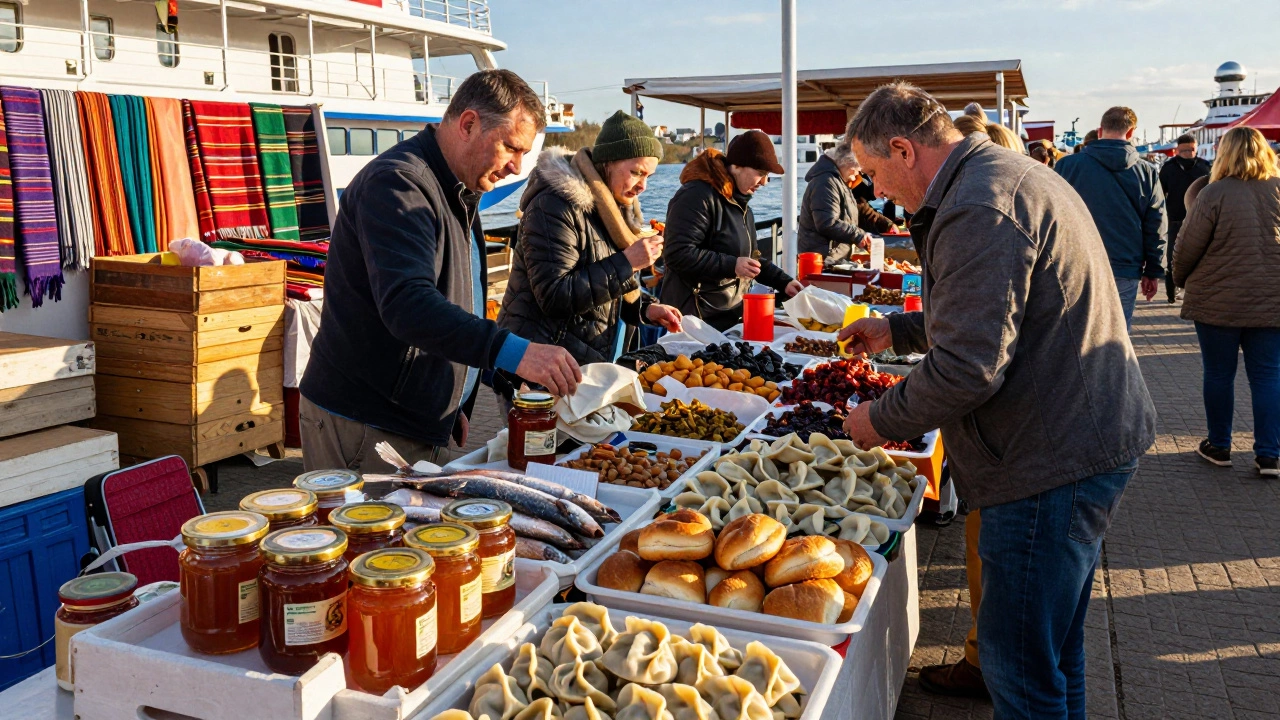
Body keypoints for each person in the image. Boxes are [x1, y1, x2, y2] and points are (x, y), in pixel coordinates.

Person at [837, 82, 1155, 719]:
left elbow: (968, 367)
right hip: (1080, 436)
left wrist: (879, 418)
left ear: (903, 150)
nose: (873, 192)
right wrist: (899, 329)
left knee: (1019, 665)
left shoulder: (978, 205)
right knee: (1055, 653)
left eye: (872, 174)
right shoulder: (998, 174)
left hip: (1047, 458)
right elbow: (1000, 306)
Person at [298, 70, 582, 472]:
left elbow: (454, 295)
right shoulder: (398, 183)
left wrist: (458, 400)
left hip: (416, 418)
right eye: (510, 148)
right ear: (468, 124)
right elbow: (409, 305)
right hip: (367, 422)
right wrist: (514, 353)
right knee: (374, 537)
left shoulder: (458, 188)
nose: (517, 168)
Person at [496, 111, 682, 393]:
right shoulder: (555, 205)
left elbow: (605, 287)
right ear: (606, 163)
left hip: (583, 373)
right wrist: (628, 262)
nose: (643, 185)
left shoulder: (612, 209)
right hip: (538, 376)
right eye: (636, 172)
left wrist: (645, 308)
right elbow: (554, 295)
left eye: (649, 176)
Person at [1172, 126, 1280, 476]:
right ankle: (1268, 454)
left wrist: (1177, 279)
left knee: (1219, 374)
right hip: (1271, 300)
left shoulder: (1212, 193)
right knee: (1267, 376)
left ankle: (1219, 446)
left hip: (1218, 299)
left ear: (1224, 154)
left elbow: (1188, 246)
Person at [661, 130, 803, 330]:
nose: (764, 182)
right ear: (736, 166)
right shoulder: (696, 196)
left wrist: (784, 282)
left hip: (730, 315)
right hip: (696, 318)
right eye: (760, 174)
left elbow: (752, 259)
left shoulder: (743, 206)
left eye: (767, 175)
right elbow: (677, 254)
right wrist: (732, 265)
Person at [1055, 106, 1167, 331]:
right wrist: (1153, 270)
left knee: (1075, 336)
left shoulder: (1067, 166)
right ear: (1131, 132)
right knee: (1116, 336)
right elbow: (1155, 223)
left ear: (1099, 130)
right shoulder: (1146, 172)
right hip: (1125, 265)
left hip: (1075, 264)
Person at [797, 140, 896, 264]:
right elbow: (827, 222)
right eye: (856, 170)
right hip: (822, 260)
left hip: (832, 258)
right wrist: (859, 235)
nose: (856, 176)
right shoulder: (826, 182)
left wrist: (884, 224)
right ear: (848, 164)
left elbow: (857, 210)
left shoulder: (837, 181)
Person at [1159, 134, 1212, 303]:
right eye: (1184, 150)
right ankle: (1170, 292)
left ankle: (1197, 291)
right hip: (1175, 218)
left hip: (1201, 218)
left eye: (1192, 149)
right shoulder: (1168, 168)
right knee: (1173, 256)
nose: (1189, 153)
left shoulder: (1205, 167)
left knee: (1201, 257)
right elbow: (1160, 193)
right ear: (1177, 150)